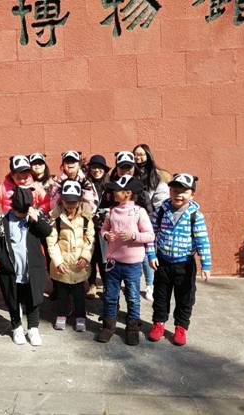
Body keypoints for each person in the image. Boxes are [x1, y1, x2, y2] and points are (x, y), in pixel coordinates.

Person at [146, 173, 211, 346]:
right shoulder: (161, 211)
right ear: (170, 191)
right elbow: (150, 235)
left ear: (192, 194)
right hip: (163, 262)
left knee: (185, 297)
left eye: (184, 192)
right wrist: (151, 255)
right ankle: (158, 323)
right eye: (175, 190)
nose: (178, 195)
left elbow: (202, 241)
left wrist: (206, 264)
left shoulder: (195, 215)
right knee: (160, 296)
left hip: (185, 264)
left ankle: (181, 327)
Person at [0, 187, 52, 346]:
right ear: (12, 207)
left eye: (25, 212)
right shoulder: (2, 221)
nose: (22, 215)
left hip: (32, 270)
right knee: (13, 299)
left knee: (33, 299)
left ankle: (33, 329)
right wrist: (2, 259)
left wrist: (36, 218)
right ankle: (16, 327)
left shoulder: (33, 217)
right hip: (11, 271)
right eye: (19, 212)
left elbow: (47, 231)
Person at [96, 175, 155, 346]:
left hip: (133, 265)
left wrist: (134, 236)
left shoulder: (139, 212)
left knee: (133, 297)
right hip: (113, 263)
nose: (114, 193)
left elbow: (150, 235)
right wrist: (106, 235)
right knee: (110, 296)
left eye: (118, 190)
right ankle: (108, 326)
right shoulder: (112, 212)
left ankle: (132, 329)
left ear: (128, 193)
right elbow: (104, 229)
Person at [47, 180, 95, 332]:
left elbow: (90, 239)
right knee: (62, 292)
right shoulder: (55, 217)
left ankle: (80, 316)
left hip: (79, 264)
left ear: (79, 200)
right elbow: (52, 241)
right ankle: (61, 314)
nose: (70, 205)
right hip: (62, 264)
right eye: (67, 201)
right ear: (62, 199)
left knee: (79, 293)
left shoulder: (86, 217)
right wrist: (58, 261)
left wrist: (85, 257)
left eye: (74, 201)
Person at [132, 144, 172, 302]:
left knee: (147, 253)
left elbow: (161, 201)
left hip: (149, 219)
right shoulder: (131, 173)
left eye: (141, 154)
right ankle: (135, 283)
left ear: (148, 155)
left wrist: (152, 219)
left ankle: (150, 285)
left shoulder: (156, 175)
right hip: (131, 219)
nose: (138, 157)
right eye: (136, 154)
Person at [85, 155, 110, 299]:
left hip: (105, 226)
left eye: (100, 167)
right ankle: (92, 284)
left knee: (104, 257)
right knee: (91, 256)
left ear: (104, 170)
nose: (96, 170)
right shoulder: (85, 185)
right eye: (94, 167)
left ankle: (107, 285)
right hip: (89, 225)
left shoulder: (110, 186)